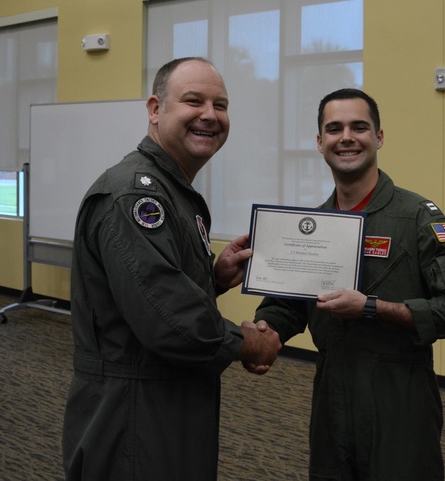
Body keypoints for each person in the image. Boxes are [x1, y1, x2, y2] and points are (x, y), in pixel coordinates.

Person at [62, 57, 281, 480]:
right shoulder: (135, 196)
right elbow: (168, 318)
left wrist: (212, 279)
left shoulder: (170, 188)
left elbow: (143, 290)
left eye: (221, 105)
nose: (210, 116)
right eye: (193, 101)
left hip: (167, 399)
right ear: (156, 109)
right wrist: (246, 343)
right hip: (134, 411)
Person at [254, 88, 445, 480]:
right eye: (334, 128)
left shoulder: (418, 218)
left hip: (400, 400)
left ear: (378, 137)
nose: (346, 137)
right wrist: (267, 331)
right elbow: (288, 304)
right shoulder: (313, 227)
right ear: (320, 141)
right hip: (331, 397)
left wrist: (374, 308)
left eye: (359, 127)